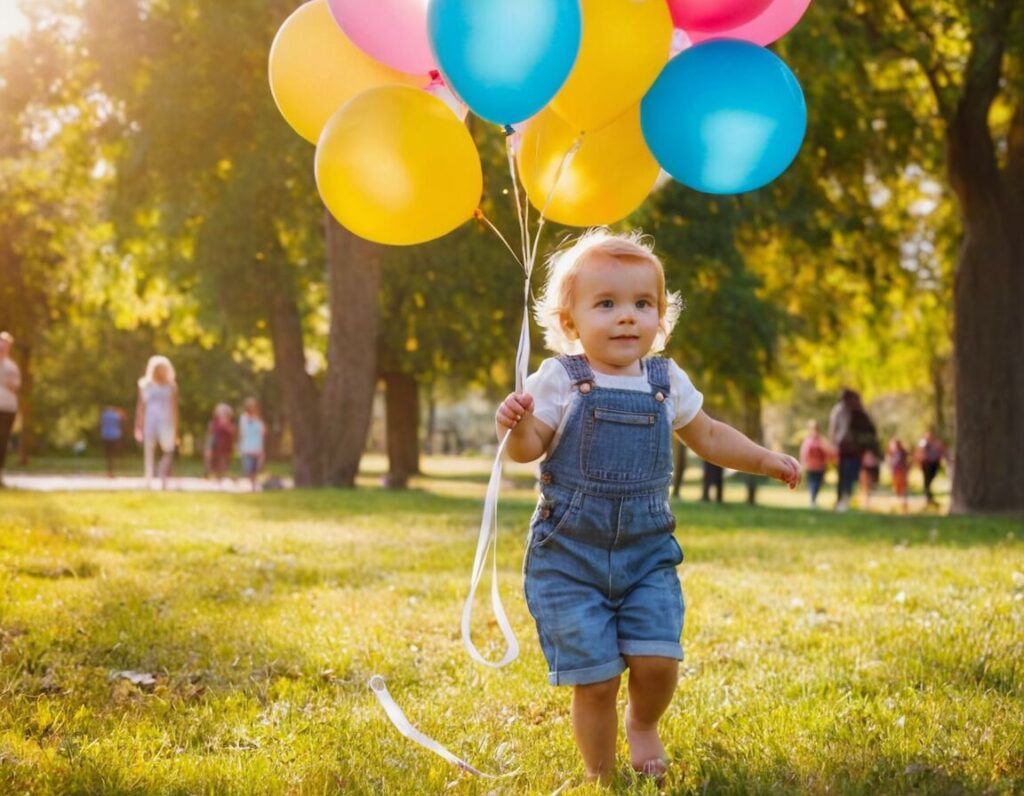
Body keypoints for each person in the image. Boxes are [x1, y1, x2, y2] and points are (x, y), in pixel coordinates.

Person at [494, 230, 800, 783]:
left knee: (659, 660)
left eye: (643, 304)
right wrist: (513, 427)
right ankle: (601, 776)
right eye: (606, 304)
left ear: (661, 317)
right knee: (595, 679)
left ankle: (643, 723)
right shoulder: (561, 379)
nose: (627, 317)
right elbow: (528, 449)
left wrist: (764, 459)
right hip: (568, 556)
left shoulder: (665, 381)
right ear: (570, 323)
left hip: (646, 553)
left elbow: (708, 434)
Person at [828, 387, 877, 512]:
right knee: (844, 475)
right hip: (845, 448)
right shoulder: (841, 410)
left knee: (849, 475)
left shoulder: (857, 411)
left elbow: (869, 430)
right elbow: (834, 429)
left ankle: (845, 498)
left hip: (854, 449)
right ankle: (842, 499)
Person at [134, 355, 178, 489]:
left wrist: (176, 428)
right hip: (150, 420)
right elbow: (141, 406)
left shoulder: (171, 386)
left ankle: (162, 474)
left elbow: (174, 408)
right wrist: (138, 425)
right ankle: (148, 478)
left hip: (166, 421)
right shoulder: (145, 385)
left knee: (168, 448)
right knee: (148, 449)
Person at [0, 332, 21, 488]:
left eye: (5, 343)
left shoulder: (12, 366)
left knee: (3, 441)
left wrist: (9, 382)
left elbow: (16, 386)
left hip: (7, 408)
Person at [798, 420, 831, 507]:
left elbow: (826, 452)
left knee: (817, 483)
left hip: (819, 466)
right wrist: (803, 464)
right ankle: (812, 500)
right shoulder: (809, 440)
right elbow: (804, 453)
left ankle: (813, 500)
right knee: (813, 483)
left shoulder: (820, 440)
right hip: (811, 466)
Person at [915, 427, 949, 508]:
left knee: (930, 480)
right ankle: (928, 497)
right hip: (927, 464)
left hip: (934, 464)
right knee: (927, 481)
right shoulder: (924, 442)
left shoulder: (935, 443)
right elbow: (920, 452)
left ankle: (929, 497)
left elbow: (941, 450)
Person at [238, 397, 266, 491]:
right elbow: (242, 433)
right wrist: (240, 446)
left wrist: (262, 449)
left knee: (256, 469)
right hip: (247, 447)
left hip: (257, 447)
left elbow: (262, 434)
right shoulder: (243, 418)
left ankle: (253, 486)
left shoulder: (259, 419)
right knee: (248, 469)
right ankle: (252, 484)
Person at [205, 403, 235, 482]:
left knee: (223, 464)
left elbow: (232, 435)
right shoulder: (214, 423)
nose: (222, 415)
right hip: (216, 446)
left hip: (225, 447)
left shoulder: (230, 425)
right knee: (216, 464)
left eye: (224, 413)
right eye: (221, 412)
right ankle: (216, 478)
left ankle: (220, 479)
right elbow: (210, 435)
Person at [99, 405, 127, 477]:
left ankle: (110, 471)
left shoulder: (104, 415)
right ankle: (113, 470)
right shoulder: (115, 415)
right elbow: (124, 418)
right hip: (115, 436)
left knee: (108, 455)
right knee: (114, 454)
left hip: (106, 436)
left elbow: (102, 424)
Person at [888, 438, 910, 512]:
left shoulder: (901, 453)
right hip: (896, 472)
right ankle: (901, 503)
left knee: (902, 487)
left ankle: (903, 503)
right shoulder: (893, 453)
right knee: (897, 488)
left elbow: (906, 462)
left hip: (901, 471)